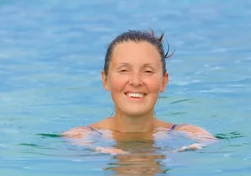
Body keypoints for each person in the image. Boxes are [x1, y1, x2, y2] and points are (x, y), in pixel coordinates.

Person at [63, 29, 217, 155]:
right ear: (105, 80)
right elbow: (77, 142)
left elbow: (211, 146)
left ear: (164, 81)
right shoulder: (82, 135)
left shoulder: (190, 134)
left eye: (148, 71)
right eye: (124, 70)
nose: (136, 81)